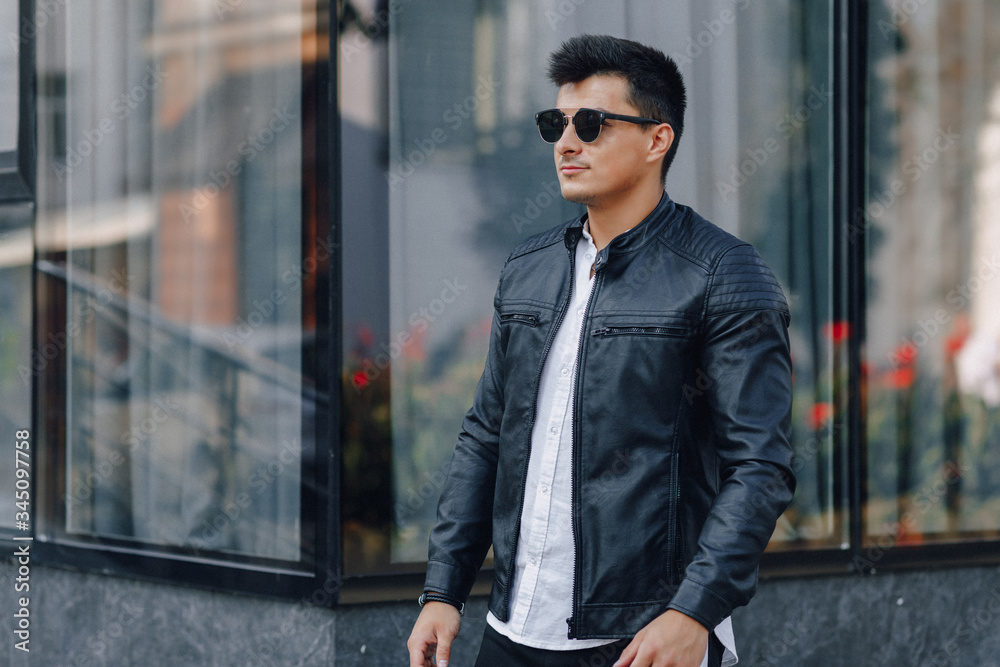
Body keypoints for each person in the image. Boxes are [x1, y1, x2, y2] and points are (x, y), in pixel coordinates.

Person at [407, 34, 795, 667]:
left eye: (591, 124)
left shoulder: (722, 273)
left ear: (656, 139)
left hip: (644, 637)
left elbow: (760, 467)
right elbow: (485, 435)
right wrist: (443, 590)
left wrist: (692, 612)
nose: (566, 142)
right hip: (514, 629)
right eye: (554, 123)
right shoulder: (528, 270)